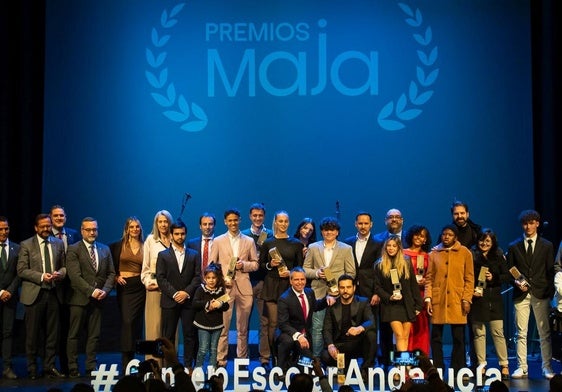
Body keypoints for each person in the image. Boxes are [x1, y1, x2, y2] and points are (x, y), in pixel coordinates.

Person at [506, 209, 555, 380]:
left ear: (537, 223)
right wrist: (516, 282)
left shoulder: (547, 246)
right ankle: (522, 367)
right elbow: (510, 271)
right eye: (525, 223)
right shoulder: (514, 246)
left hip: (541, 293)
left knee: (544, 333)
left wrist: (549, 292)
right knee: (521, 332)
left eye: (531, 222)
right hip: (521, 294)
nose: (528, 226)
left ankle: (547, 367)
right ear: (522, 225)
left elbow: (551, 271)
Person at [17, 213, 66, 379]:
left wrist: (59, 273)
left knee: (52, 334)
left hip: (53, 293)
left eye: (48, 226)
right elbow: (22, 270)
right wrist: (41, 276)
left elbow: (65, 267)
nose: (46, 229)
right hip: (34, 294)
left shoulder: (58, 244)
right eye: (43, 226)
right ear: (36, 228)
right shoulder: (26, 245)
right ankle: (32, 368)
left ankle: (49, 367)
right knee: (32, 335)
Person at [66, 217, 115, 377]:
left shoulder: (104, 249)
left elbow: (111, 273)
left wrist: (105, 291)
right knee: (74, 335)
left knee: (94, 336)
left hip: (99, 300)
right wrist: (91, 291)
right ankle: (73, 367)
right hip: (79, 299)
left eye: (94, 229)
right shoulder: (74, 249)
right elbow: (75, 276)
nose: (92, 232)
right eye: (88, 230)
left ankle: (90, 366)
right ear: (82, 231)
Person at [209, 208, 258, 367]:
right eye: (230, 220)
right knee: (223, 327)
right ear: (225, 222)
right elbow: (211, 265)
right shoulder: (218, 241)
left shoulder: (249, 241)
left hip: (244, 288)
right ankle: (220, 361)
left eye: (235, 220)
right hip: (226, 289)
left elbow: (256, 264)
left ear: (240, 220)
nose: (233, 223)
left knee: (242, 329)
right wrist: (223, 280)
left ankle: (241, 362)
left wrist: (244, 265)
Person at [425, 224, 474, 373]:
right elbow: (429, 278)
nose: (446, 237)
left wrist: (466, 299)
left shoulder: (465, 253)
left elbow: (469, 278)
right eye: (444, 234)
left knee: (458, 338)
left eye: (450, 234)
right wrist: (428, 298)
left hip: (457, 300)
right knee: (436, 337)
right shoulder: (434, 253)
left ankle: (457, 368)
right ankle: (438, 368)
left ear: (456, 237)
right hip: (438, 300)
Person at [303, 216, 355, 357]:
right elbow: (305, 270)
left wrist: (339, 286)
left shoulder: (346, 249)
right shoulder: (313, 248)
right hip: (318, 294)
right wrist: (317, 273)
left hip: (339, 295)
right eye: (326, 230)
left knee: (338, 328)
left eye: (332, 230)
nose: (329, 233)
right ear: (322, 232)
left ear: (337, 232)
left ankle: (339, 361)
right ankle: (317, 360)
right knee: (317, 328)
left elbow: (351, 272)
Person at [259, 211, 304, 368]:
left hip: (290, 287)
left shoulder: (296, 243)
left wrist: (291, 273)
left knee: (291, 323)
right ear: (275, 222)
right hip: (272, 286)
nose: (283, 224)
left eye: (286, 221)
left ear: (289, 223)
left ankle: (290, 357)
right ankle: (275, 358)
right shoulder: (268, 243)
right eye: (280, 221)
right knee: (273, 324)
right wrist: (270, 265)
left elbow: (300, 267)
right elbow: (260, 265)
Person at [156, 220, 201, 368]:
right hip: (170, 301)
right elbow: (160, 278)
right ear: (171, 235)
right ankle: (169, 366)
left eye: (182, 233)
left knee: (189, 335)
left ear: (186, 234)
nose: (180, 236)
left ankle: (188, 366)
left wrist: (186, 293)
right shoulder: (163, 255)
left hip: (188, 302)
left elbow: (197, 277)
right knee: (168, 337)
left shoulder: (193, 254)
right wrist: (175, 294)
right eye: (176, 234)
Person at [470, 229, 510, 380]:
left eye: (488, 241)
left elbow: (506, 276)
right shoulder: (472, 255)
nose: (484, 243)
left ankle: (504, 365)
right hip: (478, 299)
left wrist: (493, 277)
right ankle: (482, 366)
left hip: (494, 300)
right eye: (482, 240)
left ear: (492, 243)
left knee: (498, 333)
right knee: (479, 334)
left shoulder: (499, 255)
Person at [276, 267, 331, 374]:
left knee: (307, 369)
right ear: (291, 281)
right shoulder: (284, 299)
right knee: (288, 341)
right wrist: (298, 336)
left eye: (302, 279)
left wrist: (327, 299)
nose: (300, 282)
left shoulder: (310, 292)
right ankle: (280, 369)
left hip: (305, 337)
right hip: (289, 334)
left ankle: (295, 364)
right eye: (296, 280)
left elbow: (315, 306)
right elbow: (283, 324)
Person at [374, 236, 422, 356]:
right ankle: (403, 367)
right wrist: (389, 297)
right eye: (388, 246)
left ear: (399, 247)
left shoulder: (406, 261)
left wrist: (418, 305)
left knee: (405, 336)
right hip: (391, 305)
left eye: (394, 246)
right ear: (385, 247)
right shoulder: (379, 264)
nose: (391, 248)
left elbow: (413, 284)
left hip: (407, 304)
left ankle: (402, 368)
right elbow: (377, 287)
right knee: (399, 335)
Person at [321, 274, 377, 378]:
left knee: (371, 334)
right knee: (325, 356)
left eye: (348, 287)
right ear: (338, 288)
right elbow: (327, 328)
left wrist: (359, 328)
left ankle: (366, 369)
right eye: (342, 287)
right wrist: (330, 345)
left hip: (358, 343)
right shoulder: (332, 305)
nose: (345, 290)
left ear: (354, 288)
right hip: (340, 345)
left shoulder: (363, 302)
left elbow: (371, 321)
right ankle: (343, 368)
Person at [109, 216, 146, 369]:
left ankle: (134, 359)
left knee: (136, 324)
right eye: (132, 227)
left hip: (140, 287)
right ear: (127, 229)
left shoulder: (145, 246)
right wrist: (116, 277)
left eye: (137, 226)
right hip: (125, 288)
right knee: (127, 322)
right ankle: (126, 359)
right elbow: (109, 264)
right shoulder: (118, 246)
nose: (135, 229)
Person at [49, 204, 81, 376]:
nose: (59, 218)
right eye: (56, 216)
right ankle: (53, 366)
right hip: (54, 288)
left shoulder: (73, 234)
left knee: (70, 329)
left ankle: (69, 365)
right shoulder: (46, 234)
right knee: (56, 330)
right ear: (50, 217)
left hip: (73, 288)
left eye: (62, 216)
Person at [241, 203, 273, 368]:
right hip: (245, 282)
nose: (258, 218)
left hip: (264, 283)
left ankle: (265, 358)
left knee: (265, 322)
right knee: (243, 323)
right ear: (250, 216)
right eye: (255, 215)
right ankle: (243, 358)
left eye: (260, 215)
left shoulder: (270, 235)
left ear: (264, 217)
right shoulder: (243, 235)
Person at [373, 208, 406, 367]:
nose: (394, 219)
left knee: (403, 336)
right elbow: (375, 271)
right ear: (385, 220)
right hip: (386, 296)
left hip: (406, 298)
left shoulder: (410, 237)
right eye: (390, 217)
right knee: (386, 332)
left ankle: (405, 367)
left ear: (402, 220)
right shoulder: (377, 239)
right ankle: (388, 364)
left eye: (397, 217)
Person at [141, 209, 172, 362]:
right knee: (154, 329)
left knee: (170, 331)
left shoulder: (176, 239)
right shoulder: (150, 241)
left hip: (171, 291)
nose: (163, 224)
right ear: (156, 223)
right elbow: (145, 268)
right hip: (154, 289)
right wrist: (148, 283)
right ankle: (153, 366)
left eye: (165, 221)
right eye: (160, 221)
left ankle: (169, 365)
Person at [192, 263, 229, 369]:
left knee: (214, 349)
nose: (211, 280)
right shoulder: (200, 289)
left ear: (217, 278)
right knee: (203, 349)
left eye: (213, 278)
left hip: (217, 325)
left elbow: (226, 306)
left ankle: (212, 371)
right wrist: (208, 304)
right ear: (205, 278)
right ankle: (198, 370)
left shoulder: (220, 291)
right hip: (203, 324)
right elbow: (195, 303)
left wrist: (219, 304)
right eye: (208, 278)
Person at [343, 212, 383, 309]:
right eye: (360, 223)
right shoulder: (347, 242)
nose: (363, 226)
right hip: (350, 288)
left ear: (371, 224)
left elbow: (380, 270)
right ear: (355, 224)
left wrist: (377, 293)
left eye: (366, 223)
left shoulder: (379, 243)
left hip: (370, 289)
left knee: (370, 321)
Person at [403, 224, 432, 354]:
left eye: (422, 236)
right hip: (406, 296)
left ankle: (420, 367)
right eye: (416, 234)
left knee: (422, 330)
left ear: (425, 239)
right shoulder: (403, 253)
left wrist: (426, 281)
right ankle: (406, 369)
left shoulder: (429, 256)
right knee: (406, 332)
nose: (418, 238)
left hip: (421, 296)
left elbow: (431, 277)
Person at [0, 217, 19, 379]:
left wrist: (10, 291)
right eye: (0, 229)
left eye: (6, 229)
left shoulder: (16, 248)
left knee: (8, 333)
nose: (3, 232)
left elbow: (19, 274)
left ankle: (7, 367)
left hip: (10, 298)